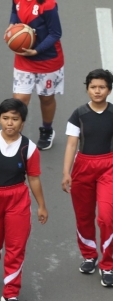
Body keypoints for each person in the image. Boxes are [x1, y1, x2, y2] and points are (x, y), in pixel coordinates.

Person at [0, 98, 48, 301]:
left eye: (15, 119)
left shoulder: (29, 148)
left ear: (22, 123)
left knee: (16, 246)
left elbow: (33, 178)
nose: (10, 123)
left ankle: (10, 293)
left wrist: (41, 205)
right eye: (5, 118)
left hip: (17, 199)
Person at [62, 69, 113, 287]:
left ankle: (108, 264)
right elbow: (72, 144)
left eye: (102, 87)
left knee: (106, 216)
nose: (97, 91)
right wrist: (66, 172)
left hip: (109, 166)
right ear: (87, 89)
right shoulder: (78, 114)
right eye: (93, 87)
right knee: (84, 215)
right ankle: (89, 255)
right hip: (82, 167)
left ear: (109, 90)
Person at [7, 0, 64, 150]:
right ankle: (15, 135)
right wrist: (12, 26)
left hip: (47, 60)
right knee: (20, 100)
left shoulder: (48, 5)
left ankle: (47, 130)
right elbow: (15, 11)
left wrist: (37, 50)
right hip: (24, 59)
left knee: (46, 99)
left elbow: (56, 33)